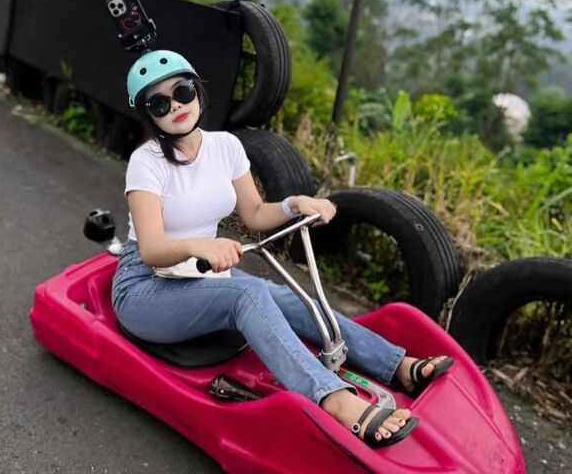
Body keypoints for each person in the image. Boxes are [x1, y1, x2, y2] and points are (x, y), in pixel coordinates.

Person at [111, 50, 453, 448]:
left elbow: (255, 214)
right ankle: (333, 399)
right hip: (145, 287)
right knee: (246, 293)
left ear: (197, 91)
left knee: (286, 296)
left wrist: (294, 205)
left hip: (196, 275)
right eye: (159, 103)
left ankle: (396, 366)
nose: (175, 106)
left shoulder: (226, 147)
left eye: (182, 91)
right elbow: (151, 249)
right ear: (148, 114)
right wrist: (198, 245)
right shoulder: (147, 162)